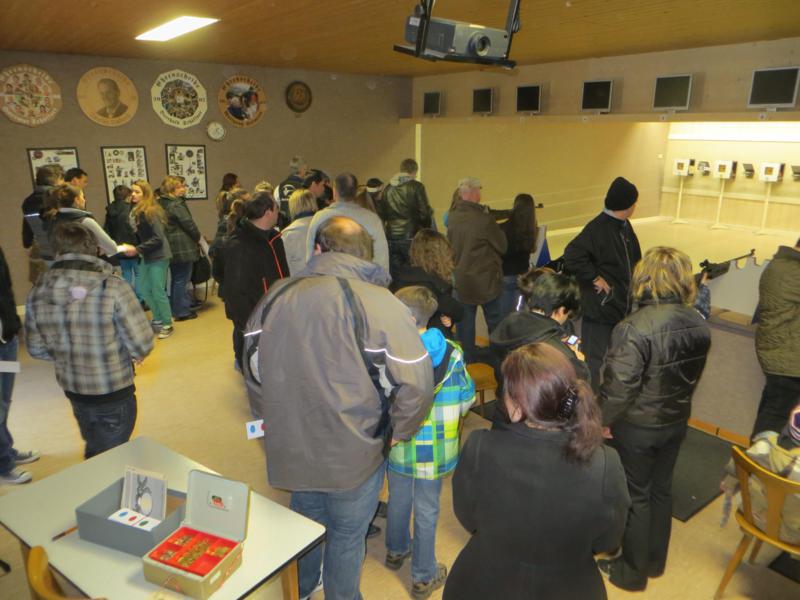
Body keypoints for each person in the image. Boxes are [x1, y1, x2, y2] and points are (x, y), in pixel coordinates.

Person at [258, 217, 433, 600]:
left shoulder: (277, 296)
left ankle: (302, 590)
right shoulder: (383, 305)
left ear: (317, 249)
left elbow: (254, 368)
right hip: (358, 450)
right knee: (348, 535)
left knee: (306, 524)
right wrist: (397, 431)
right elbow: (417, 384)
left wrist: (275, 417)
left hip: (295, 445)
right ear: (366, 256)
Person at [444, 343, 630, 600]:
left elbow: (467, 516)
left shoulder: (479, 447)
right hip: (570, 587)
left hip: (483, 583)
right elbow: (607, 540)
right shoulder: (606, 464)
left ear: (516, 404)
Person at [596, 246, 712, 592]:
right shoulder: (698, 322)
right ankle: (654, 561)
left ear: (643, 277)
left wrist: (601, 421)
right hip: (676, 421)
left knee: (636, 496)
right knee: (661, 490)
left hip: (637, 426)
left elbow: (619, 389)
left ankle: (632, 572)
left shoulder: (633, 327)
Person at [25, 223, 154, 459]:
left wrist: (68, 352)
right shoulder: (114, 287)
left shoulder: (37, 292)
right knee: (113, 456)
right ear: (95, 249)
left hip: (74, 390)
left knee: (95, 446)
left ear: (57, 251)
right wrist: (135, 353)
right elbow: (142, 343)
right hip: (112, 389)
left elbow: (35, 348)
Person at [386, 286, 475, 599]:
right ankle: (423, 576)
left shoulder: (391, 352)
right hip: (436, 447)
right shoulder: (453, 352)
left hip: (399, 441)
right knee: (427, 508)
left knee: (398, 497)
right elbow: (466, 399)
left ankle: (396, 549)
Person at [564, 176, 642, 390]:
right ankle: (590, 400)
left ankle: (609, 397)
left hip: (619, 307)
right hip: (600, 310)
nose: (635, 206)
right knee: (593, 360)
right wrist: (595, 277)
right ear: (626, 205)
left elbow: (634, 258)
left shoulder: (623, 226)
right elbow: (572, 255)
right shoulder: (598, 228)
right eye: (634, 203)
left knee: (615, 359)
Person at [490, 269, 588, 402]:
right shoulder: (558, 350)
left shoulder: (508, 323)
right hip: (537, 410)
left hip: (507, 401)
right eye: (567, 314)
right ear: (560, 310)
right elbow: (579, 388)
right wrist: (578, 361)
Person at [221, 192, 287, 370]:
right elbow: (235, 292)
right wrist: (248, 323)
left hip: (274, 309)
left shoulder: (275, 239)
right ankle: (243, 362)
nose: (279, 212)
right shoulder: (239, 245)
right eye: (276, 208)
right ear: (268, 212)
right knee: (251, 359)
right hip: (253, 315)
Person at [720, 402, 800, 545]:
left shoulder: (764, 444)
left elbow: (729, 479)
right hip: (790, 534)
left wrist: (729, 484)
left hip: (750, 512)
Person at [446, 177, 507, 362]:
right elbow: (502, 246)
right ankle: (498, 363)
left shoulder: (452, 217)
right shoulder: (484, 219)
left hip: (461, 280)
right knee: (495, 324)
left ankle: (467, 363)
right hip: (485, 281)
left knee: (465, 327)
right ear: (473, 193)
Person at [751, 237, 800, 438]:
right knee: (773, 418)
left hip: (781, 352)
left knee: (771, 410)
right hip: (786, 358)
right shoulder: (792, 271)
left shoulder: (782, 264)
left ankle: (754, 452)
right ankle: (757, 455)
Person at [0, 246, 39, 485]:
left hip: (6, 340)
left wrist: (13, 325)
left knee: (4, 400)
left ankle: (6, 450)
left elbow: (5, 289)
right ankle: (3, 463)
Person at [305, 173, 391, 273]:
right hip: (362, 278)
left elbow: (310, 257)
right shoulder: (371, 219)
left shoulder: (320, 218)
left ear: (334, 192)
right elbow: (381, 257)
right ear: (355, 192)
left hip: (329, 277)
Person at [390, 229, 463, 338]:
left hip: (401, 335)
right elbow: (458, 312)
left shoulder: (399, 276)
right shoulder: (434, 285)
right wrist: (447, 317)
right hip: (428, 339)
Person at [130, 180, 174, 339]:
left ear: (146, 194)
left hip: (159, 255)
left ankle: (167, 323)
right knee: (144, 290)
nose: (133, 194)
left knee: (157, 290)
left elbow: (158, 238)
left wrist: (137, 249)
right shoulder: (137, 211)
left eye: (137, 192)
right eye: (132, 191)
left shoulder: (152, 211)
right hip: (147, 255)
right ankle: (158, 317)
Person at [41, 184, 126, 259]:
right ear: (77, 200)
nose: (84, 200)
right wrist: (123, 248)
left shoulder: (53, 220)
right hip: (84, 267)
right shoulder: (85, 221)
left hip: (60, 267)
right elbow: (111, 248)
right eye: (82, 197)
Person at [378, 159, 434, 273]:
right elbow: (424, 213)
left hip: (391, 236)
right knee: (414, 270)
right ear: (414, 171)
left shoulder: (387, 189)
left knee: (396, 273)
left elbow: (383, 214)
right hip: (411, 235)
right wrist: (426, 228)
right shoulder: (416, 187)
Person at [158, 176, 202, 321]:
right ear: (172, 189)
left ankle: (176, 307)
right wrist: (198, 237)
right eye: (181, 186)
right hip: (182, 246)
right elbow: (188, 224)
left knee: (176, 278)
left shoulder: (161, 203)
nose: (184, 189)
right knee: (182, 279)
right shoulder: (176, 205)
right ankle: (182, 311)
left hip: (171, 245)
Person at [22, 164, 64, 282]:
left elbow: (27, 227)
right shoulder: (56, 198)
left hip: (44, 253)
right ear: (56, 179)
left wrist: (27, 244)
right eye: (62, 179)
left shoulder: (28, 201)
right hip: (62, 252)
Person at [499, 194, 538, 317]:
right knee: (522, 312)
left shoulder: (503, 228)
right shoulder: (532, 227)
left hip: (506, 274)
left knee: (505, 314)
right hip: (524, 274)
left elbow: (500, 251)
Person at [104, 184, 140, 294]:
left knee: (126, 273)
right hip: (133, 246)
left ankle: (128, 296)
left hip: (119, 247)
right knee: (139, 274)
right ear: (128, 196)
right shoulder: (131, 209)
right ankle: (140, 298)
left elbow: (107, 230)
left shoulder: (110, 211)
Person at [281, 189, 317, 275]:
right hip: (325, 281)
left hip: (299, 281)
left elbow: (283, 268)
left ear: (292, 206)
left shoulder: (287, 234)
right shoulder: (326, 226)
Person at [276, 155, 308, 222]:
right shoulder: (305, 187)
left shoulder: (279, 187)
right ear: (302, 169)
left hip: (284, 225)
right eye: (305, 169)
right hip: (300, 223)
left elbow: (276, 207)